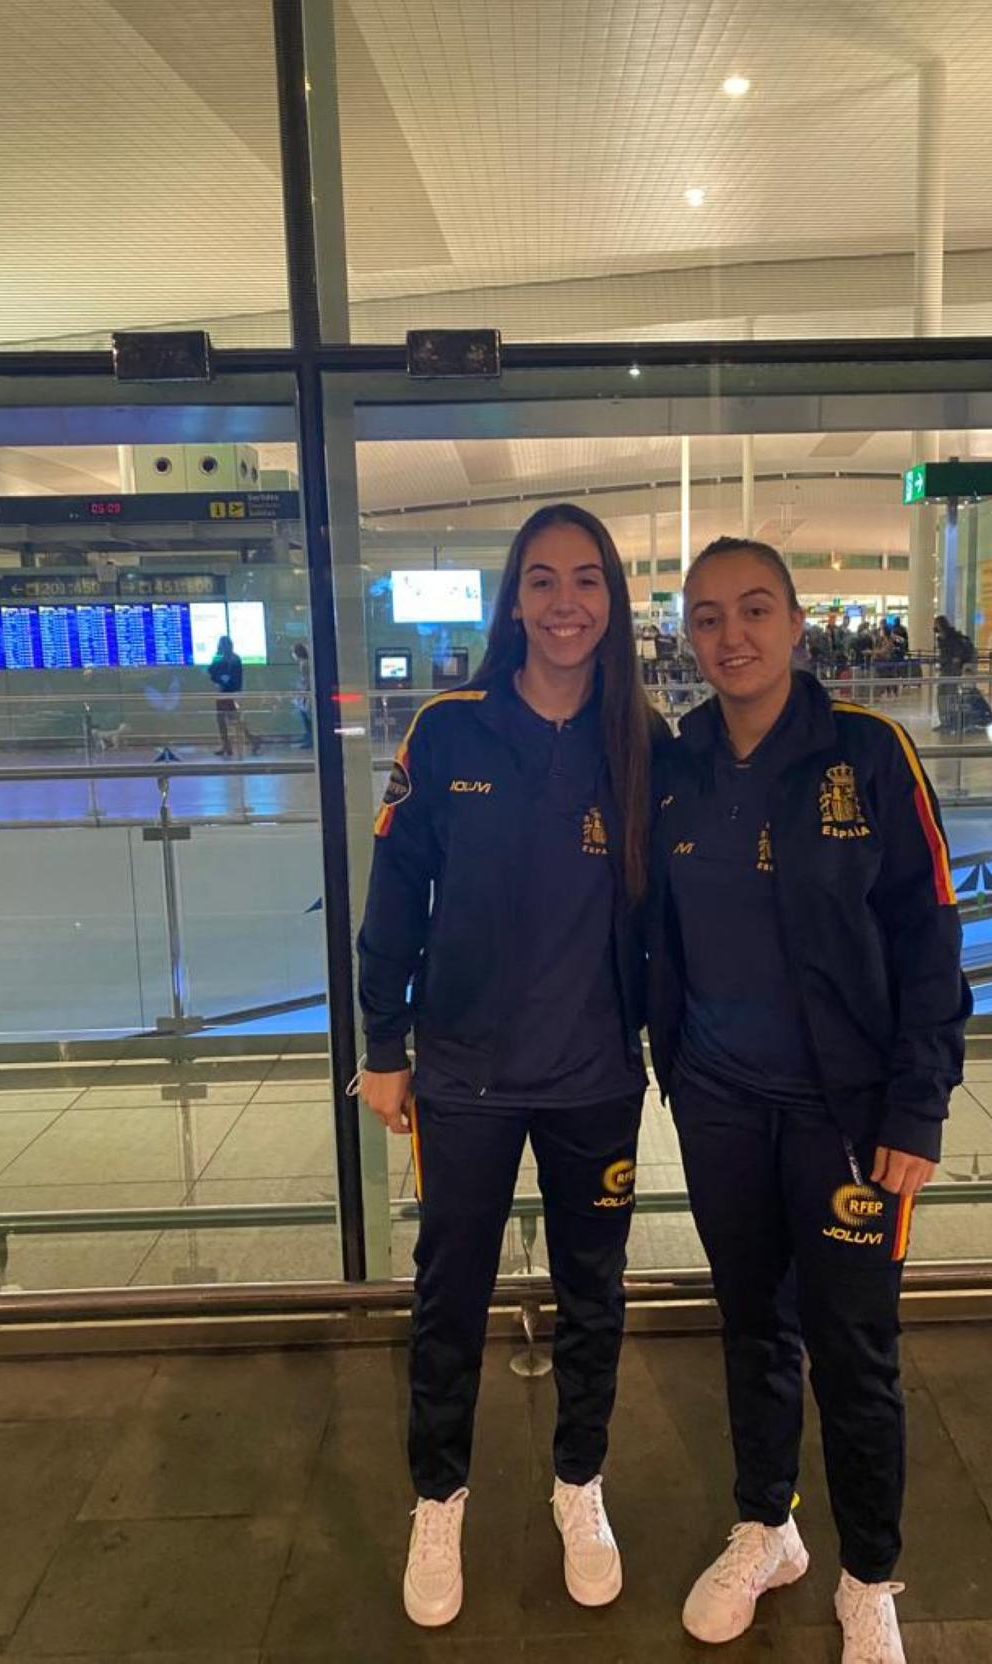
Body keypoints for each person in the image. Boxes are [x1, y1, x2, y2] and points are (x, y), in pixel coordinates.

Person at [647, 536, 970, 1662]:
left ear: (795, 624)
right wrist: (675, 1073)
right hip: (723, 1104)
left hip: (846, 1120)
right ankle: (767, 1522)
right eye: (706, 616)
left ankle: (870, 1570)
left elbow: (931, 939)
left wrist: (914, 1112)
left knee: (855, 1348)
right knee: (751, 1329)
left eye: (753, 610)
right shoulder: (677, 760)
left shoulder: (868, 755)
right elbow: (659, 934)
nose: (729, 636)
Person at [356, 503, 665, 1629]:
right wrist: (382, 1042)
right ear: (514, 598)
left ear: (614, 601)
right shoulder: (447, 733)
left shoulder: (643, 740)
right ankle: (437, 1496)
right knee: (449, 1298)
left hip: (594, 1075)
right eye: (544, 580)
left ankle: (579, 1481)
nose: (567, 601)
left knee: (596, 1294)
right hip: (466, 1079)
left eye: (587, 580)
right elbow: (395, 900)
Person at [208, 635, 260, 756]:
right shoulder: (230, 657)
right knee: (231, 719)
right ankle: (249, 740)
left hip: (226, 693)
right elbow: (211, 671)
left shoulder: (232, 658)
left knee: (226, 719)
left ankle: (231, 744)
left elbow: (213, 672)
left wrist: (222, 679)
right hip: (227, 692)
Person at [933, 615, 974, 732]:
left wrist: (955, 665)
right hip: (946, 669)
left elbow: (956, 655)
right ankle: (946, 721)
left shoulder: (951, 638)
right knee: (943, 695)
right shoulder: (944, 638)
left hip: (950, 670)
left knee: (949, 695)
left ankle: (951, 721)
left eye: (936, 624)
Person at [291, 641, 313, 749]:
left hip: (307, 695)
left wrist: (301, 691)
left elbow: (306, 681)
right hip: (305, 694)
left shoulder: (304, 664)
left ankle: (310, 739)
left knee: (307, 718)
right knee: (306, 717)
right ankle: (308, 737)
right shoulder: (306, 663)